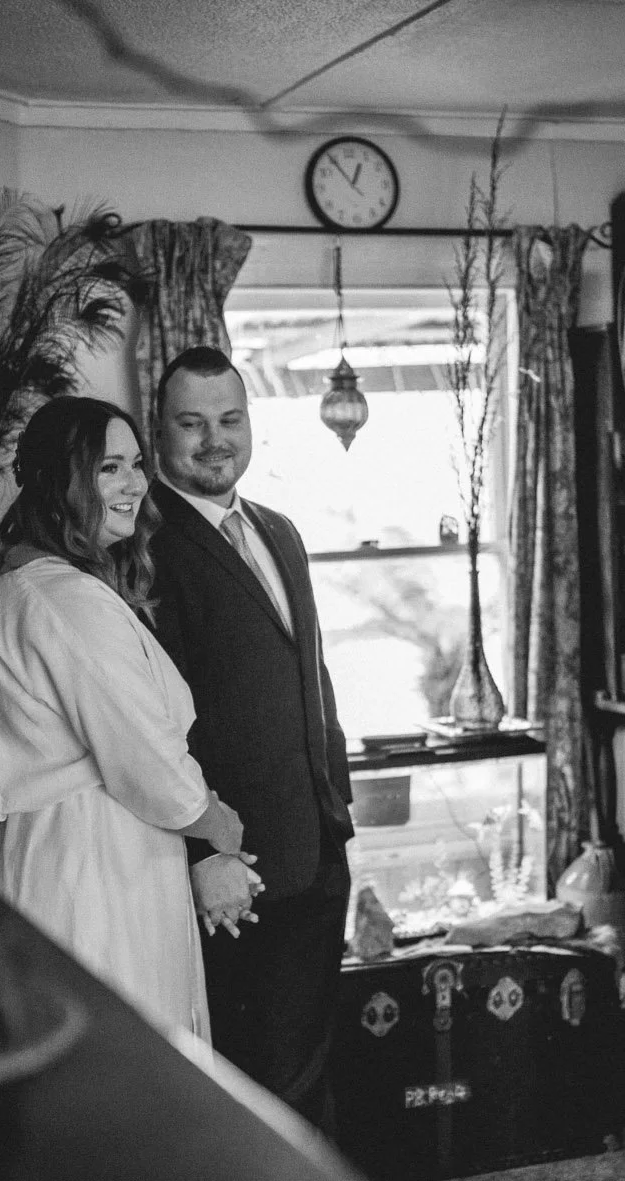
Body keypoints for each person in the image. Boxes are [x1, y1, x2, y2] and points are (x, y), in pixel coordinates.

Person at [0, 395, 257, 1039]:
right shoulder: (62, 599)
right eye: (109, 468)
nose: (135, 484)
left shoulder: (38, 585)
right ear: (62, 481)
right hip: (88, 867)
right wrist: (217, 826)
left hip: (89, 851)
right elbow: (143, 753)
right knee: (123, 1065)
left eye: (137, 464)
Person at [147, 346, 354, 1130]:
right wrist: (206, 852)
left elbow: (313, 684)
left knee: (311, 1068)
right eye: (191, 423)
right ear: (158, 431)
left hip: (316, 847)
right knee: (258, 1087)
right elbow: (155, 726)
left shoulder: (280, 531)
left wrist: (338, 811)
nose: (214, 440)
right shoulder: (145, 549)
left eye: (230, 419)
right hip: (237, 867)